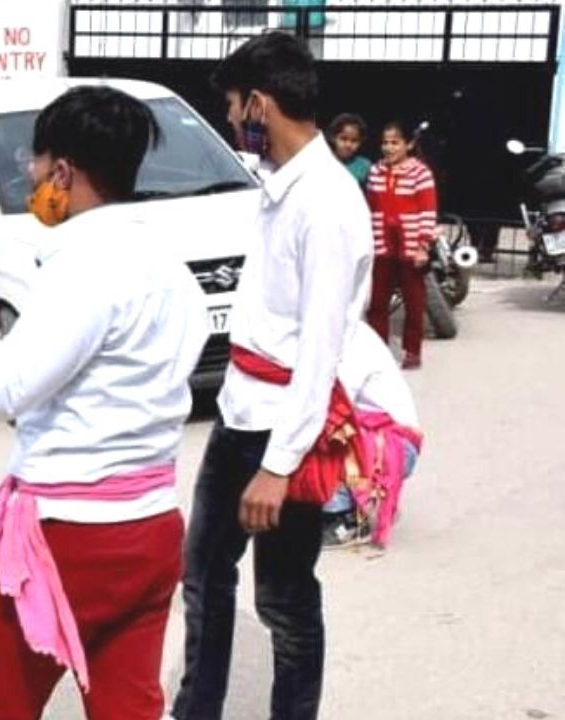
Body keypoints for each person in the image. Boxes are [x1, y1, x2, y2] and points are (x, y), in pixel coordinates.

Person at [0, 86, 209, 720]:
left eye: (35, 166)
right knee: (128, 705)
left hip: (70, 537)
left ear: (63, 171)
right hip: (149, 528)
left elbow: (6, 384)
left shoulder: (89, 267)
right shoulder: (168, 269)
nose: (30, 179)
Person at [170, 33, 373, 720]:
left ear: (259, 104)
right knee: (202, 573)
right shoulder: (277, 189)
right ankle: (198, 708)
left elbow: (321, 350)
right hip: (239, 414)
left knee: (283, 601)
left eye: (232, 106)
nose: (231, 121)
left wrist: (281, 465)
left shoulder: (327, 204)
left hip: (287, 432)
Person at [321, 321, 423, 549]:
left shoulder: (352, 340)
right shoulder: (332, 334)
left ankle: (344, 517)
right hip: (374, 436)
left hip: (393, 446)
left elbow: (334, 402)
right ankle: (360, 500)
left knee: (318, 432)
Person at [365, 121, 438, 370]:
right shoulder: (375, 171)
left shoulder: (421, 173)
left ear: (409, 144)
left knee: (414, 302)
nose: (388, 148)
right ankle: (377, 351)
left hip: (410, 248)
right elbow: (371, 208)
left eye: (395, 142)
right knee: (377, 303)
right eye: (385, 142)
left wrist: (423, 246)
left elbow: (428, 211)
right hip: (381, 246)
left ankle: (412, 351)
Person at [327, 112, 372, 189]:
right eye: (343, 139)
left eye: (354, 140)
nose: (348, 145)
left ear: (361, 142)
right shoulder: (322, 162)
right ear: (333, 137)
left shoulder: (364, 166)